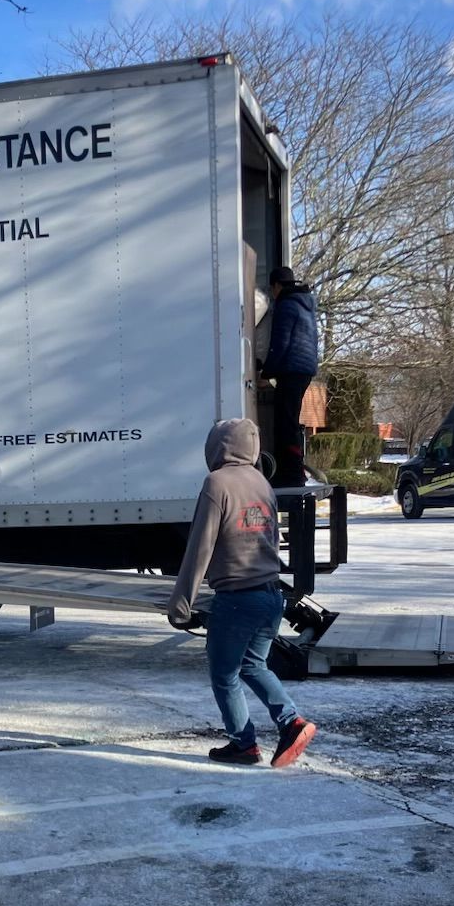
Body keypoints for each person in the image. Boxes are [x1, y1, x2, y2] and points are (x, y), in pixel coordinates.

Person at [167, 418, 317, 768]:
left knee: (224, 673)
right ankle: (291, 721)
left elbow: (199, 548)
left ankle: (243, 744)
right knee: (253, 664)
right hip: (270, 595)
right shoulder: (261, 482)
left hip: (237, 597)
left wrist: (181, 603)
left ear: (217, 446)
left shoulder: (216, 483)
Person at [261, 265, 319, 489]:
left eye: (271, 289)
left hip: (291, 368)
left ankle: (291, 473)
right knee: (291, 419)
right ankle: (294, 470)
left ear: (277, 286)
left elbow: (280, 343)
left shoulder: (286, 305)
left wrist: (266, 373)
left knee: (285, 422)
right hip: (304, 368)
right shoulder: (304, 303)